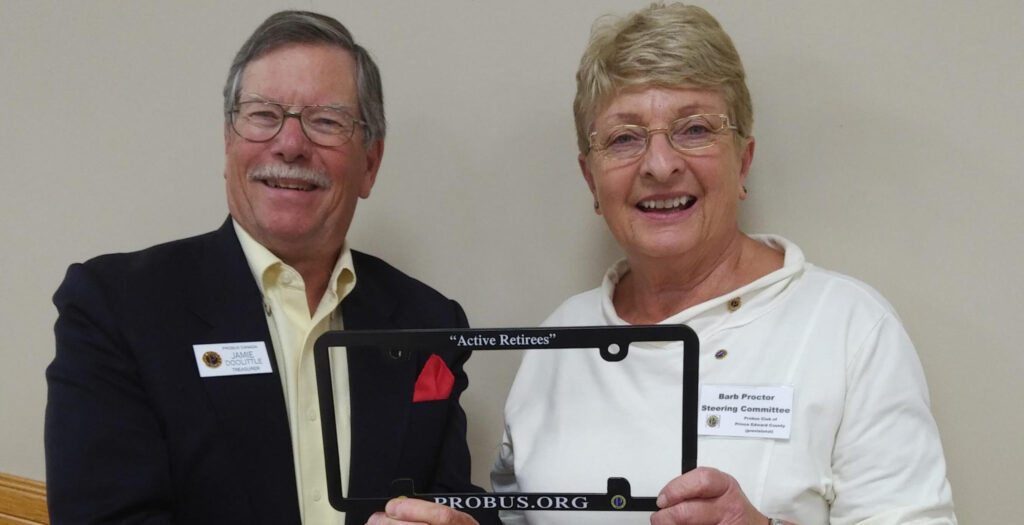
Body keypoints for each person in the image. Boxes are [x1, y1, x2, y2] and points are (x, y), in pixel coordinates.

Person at [491, 3, 957, 525]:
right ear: (590, 180)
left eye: (694, 129)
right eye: (624, 138)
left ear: (743, 161)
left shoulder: (848, 329)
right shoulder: (556, 343)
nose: (660, 165)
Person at [45, 11, 494, 525]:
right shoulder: (116, 307)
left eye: (326, 121)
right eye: (263, 115)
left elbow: (454, 500)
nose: (290, 144)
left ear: (370, 164)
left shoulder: (429, 321)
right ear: (228, 143)